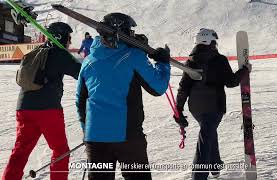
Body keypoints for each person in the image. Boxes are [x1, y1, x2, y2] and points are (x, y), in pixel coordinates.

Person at [76, 13, 171, 180]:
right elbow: (158, 87)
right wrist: (163, 63)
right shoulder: (133, 56)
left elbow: (80, 101)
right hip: (127, 137)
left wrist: (87, 131)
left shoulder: (88, 60)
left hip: (95, 138)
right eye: (129, 31)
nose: (132, 36)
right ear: (122, 32)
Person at [2, 22, 81, 180]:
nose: (70, 42)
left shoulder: (36, 52)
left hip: (24, 108)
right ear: (61, 36)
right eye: (69, 37)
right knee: (60, 150)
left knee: (21, 149)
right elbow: (82, 74)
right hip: (48, 110)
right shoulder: (59, 54)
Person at [174, 28, 251, 180]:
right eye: (214, 42)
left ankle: (215, 166)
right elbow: (231, 82)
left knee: (208, 131)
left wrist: (178, 109)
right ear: (209, 42)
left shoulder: (190, 61)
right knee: (205, 137)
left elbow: (184, 88)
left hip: (196, 108)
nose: (216, 45)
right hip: (214, 107)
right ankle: (199, 176)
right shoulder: (219, 60)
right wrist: (245, 70)